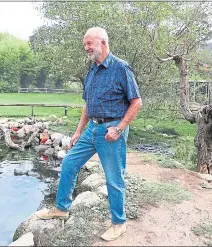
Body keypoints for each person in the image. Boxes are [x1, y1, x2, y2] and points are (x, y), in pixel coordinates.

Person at [35, 26, 142, 241]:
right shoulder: (92, 70)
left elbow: (137, 102)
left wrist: (119, 128)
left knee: (114, 179)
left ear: (102, 42)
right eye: (85, 44)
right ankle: (62, 208)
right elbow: (87, 104)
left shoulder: (121, 68)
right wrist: (77, 131)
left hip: (111, 131)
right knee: (69, 163)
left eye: (89, 43)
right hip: (92, 128)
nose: (86, 48)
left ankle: (119, 223)